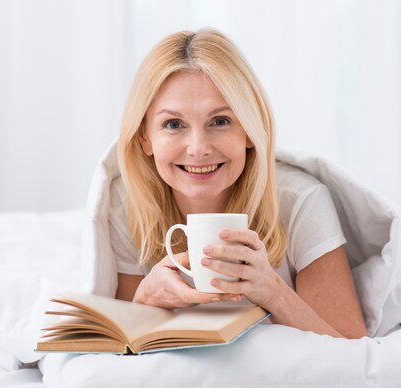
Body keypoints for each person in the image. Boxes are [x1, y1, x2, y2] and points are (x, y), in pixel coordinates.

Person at [109, 28, 368, 339]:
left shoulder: (300, 201)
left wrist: (273, 292)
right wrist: (143, 302)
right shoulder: (125, 204)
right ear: (145, 138)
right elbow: (119, 354)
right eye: (173, 124)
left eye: (220, 121)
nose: (198, 147)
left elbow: (353, 354)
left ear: (248, 129)